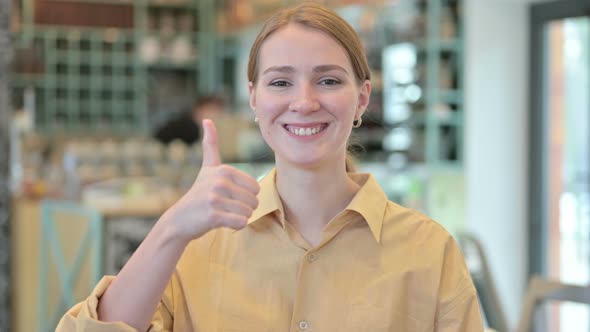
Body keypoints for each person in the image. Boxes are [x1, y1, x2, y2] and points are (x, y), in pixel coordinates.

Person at [58, 3, 483, 331]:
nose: (304, 101)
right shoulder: (197, 246)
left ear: (362, 98)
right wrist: (172, 226)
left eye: (329, 80)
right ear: (254, 98)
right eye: (280, 82)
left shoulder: (429, 251)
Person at [154, 95, 226, 145]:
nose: (215, 115)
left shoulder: (187, 123)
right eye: (211, 110)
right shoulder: (187, 126)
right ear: (199, 109)